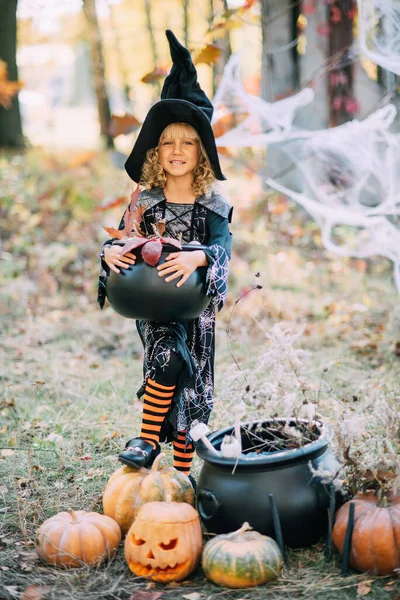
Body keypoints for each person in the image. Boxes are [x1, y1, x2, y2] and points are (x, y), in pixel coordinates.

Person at [97, 30, 232, 479]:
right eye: (168, 143)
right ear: (156, 151)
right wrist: (110, 256)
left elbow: (223, 251)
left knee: (192, 389)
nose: (177, 151)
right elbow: (122, 238)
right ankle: (146, 438)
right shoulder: (144, 202)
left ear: (202, 152)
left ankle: (181, 475)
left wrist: (199, 258)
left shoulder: (213, 207)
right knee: (167, 359)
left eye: (188, 142)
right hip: (153, 305)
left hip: (196, 312)